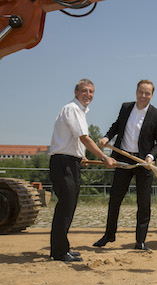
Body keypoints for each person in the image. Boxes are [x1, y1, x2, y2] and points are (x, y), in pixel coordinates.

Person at [93, 79, 157, 251]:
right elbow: (116, 126)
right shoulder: (126, 107)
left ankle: (140, 241)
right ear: (136, 91)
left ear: (152, 95)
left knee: (144, 203)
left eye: (147, 93)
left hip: (143, 163)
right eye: (141, 92)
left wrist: (150, 156)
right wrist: (106, 137)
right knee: (115, 199)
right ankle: (108, 235)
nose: (143, 96)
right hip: (122, 160)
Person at [49, 78, 116, 262]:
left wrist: (80, 157)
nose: (88, 95)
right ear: (76, 92)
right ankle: (59, 252)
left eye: (91, 92)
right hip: (63, 164)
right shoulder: (72, 109)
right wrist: (104, 157)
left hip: (71, 162)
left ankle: (62, 248)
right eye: (85, 91)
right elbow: (84, 138)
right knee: (65, 206)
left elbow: (74, 140)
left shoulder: (79, 111)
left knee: (69, 206)